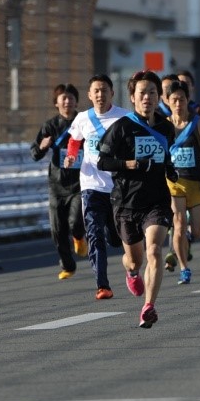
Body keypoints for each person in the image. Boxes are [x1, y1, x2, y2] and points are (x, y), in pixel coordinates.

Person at [96, 70, 177, 328]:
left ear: (159, 97)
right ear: (132, 97)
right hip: (126, 202)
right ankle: (131, 272)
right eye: (142, 93)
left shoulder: (166, 127)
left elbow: (167, 156)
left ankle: (148, 307)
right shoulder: (121, 127)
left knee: (154, 250)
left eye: (152, 93)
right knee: (135, 259)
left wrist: (171, 170)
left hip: (157, 201)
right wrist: (129, 164)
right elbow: (102, 161)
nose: (147, 98)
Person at [64, 75, 126, 300]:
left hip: (118, 187)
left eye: (104, 90)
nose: (100, 95)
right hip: (91, 185)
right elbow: (74, 140)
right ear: (90, 95)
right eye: (96, 91)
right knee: (94, 234)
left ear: (112, 93)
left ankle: (128, 259)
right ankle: (102, 285)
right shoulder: (83, 118)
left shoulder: (124, 117)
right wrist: (71, 156)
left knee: (116, 239)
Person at [30, 83, 84, 280]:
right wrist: (42, 147)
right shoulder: (50, 126)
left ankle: (79, 236)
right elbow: (34, 153)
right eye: (64, 98)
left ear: (77, 101)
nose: (68, 101)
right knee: (57, 229)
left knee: (75, 221)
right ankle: (68, 266)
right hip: (57, 185)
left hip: (80, 183)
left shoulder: (84, 122)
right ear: (56, 103)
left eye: (71, 98)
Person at [163, 80, 200, 285]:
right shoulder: (163, 125)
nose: (178, 104)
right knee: (179, 225)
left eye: (182, 100)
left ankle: (186, 241)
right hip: (174, 183)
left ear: (187, 100)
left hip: (196, 183)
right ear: (167, 101)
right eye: (174, 100)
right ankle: (184, 268)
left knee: (198, 231)